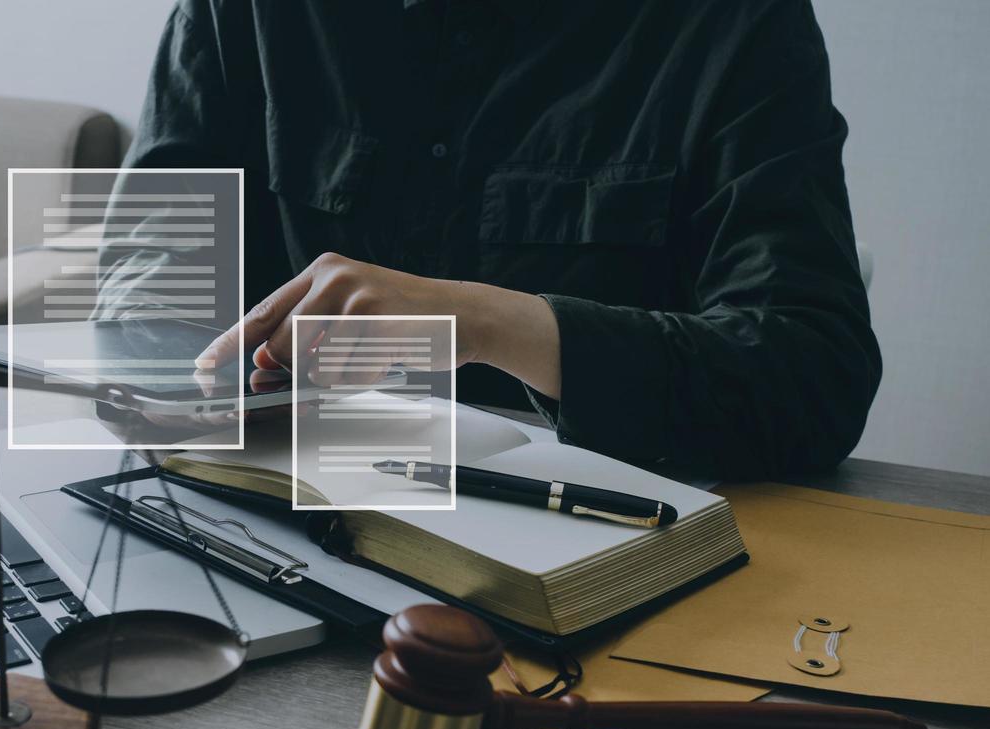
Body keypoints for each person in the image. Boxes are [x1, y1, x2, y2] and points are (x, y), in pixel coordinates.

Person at [121, 0, 878, 479]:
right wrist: (179, 377)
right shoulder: (240, 12)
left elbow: (811, 379)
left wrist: (486, 323)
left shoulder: (736, 26)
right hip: (262, 507)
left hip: (587, 555)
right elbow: (147, 272)